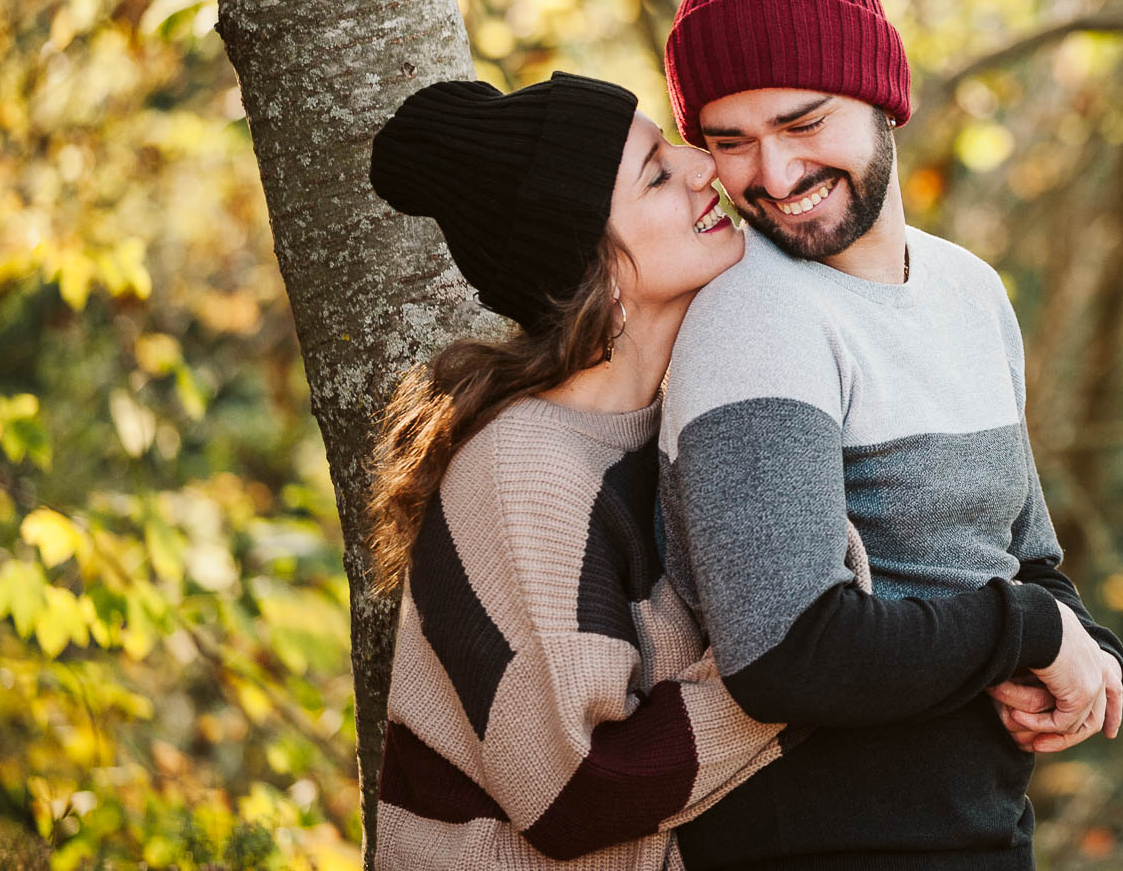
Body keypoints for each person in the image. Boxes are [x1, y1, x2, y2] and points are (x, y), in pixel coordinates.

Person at [657, 0, 1123, 870]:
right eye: (728, 139)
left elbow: (1025, 558)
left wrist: (1087, 652)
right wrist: (1030, 633)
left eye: (801, 121)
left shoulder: (969, 290)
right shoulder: (755, 312)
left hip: (983, 834)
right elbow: (787, 654)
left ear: (882, 94)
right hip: (813, 847)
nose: (773, 172)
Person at [363, 71, 875, 868]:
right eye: (658, 173)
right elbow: (575, 790)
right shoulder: (526, 467)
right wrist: (796, 660)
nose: (704, 166)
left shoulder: (667, 426)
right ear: (596, 271)